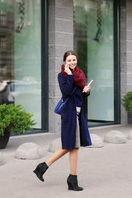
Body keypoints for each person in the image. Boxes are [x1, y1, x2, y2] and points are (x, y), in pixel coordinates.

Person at [33, 50, 92, 191]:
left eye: (74, 60)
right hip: (69, 114)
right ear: (65, 62)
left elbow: (79, 96)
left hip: (78, 113)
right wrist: (70, 75)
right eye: (69, 60)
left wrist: (87, 91)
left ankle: (59, 173)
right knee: (71, 145)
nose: (72, 62)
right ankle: (49, 169)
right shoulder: (62, 75)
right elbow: (66, 92)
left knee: (73, 145)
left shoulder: (80, 74)